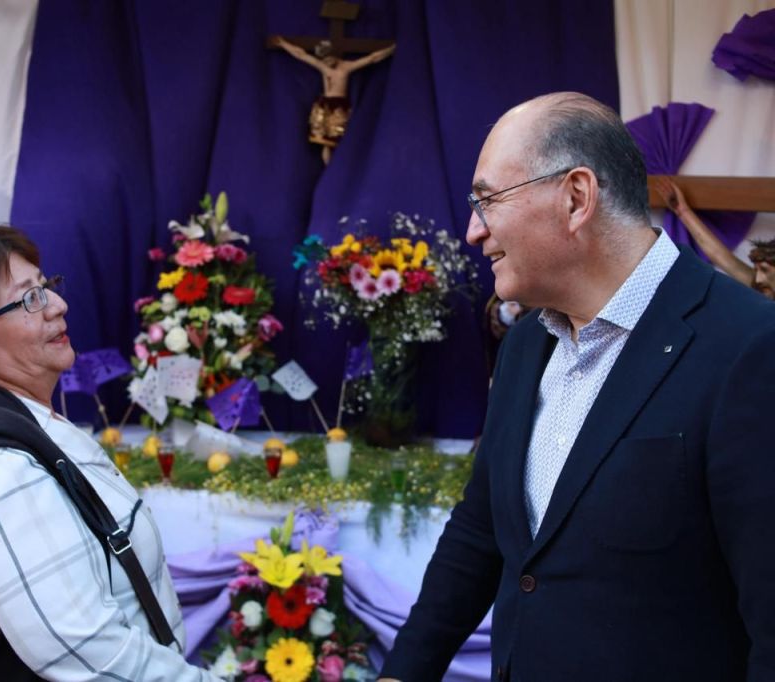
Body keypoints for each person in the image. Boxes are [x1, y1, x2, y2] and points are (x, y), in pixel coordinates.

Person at [379, 93, 775, 681]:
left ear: (575, 197)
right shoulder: (524, 346)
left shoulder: (749, 348)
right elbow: (482, 530)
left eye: (487, 200)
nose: (472, 231)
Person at [0, 226, 221, 681]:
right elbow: (91, 652)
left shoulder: (27, 424)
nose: (58, 305)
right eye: (28, 299)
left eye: (45, 287)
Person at [273, 37, 395, 164]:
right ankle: (328, 169)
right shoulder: (322, 66)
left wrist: (391, 49)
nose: (327, 64)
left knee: (341, 140)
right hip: (324, 105)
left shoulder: (346, 67)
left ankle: (340, 168)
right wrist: (283, 44)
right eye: (324, 61)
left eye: (329, 60)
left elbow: (372, 58)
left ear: (334, 55)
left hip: (339, 106)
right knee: (325, 143)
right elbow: (301, 55)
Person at [656, 175, 775, 298]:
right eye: (757, 270)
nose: (758, 279)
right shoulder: (760, 285)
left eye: (765, 270)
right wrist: (682, 211)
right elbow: (719, 255)